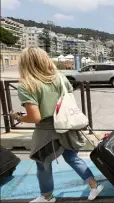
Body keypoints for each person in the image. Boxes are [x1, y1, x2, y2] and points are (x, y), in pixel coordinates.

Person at [10, 47, 103, 203]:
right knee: (72, 158)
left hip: (46, 130)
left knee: (43, 163)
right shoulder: (59, 77)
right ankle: (94, 186)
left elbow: (36, 117)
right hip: (65, 124)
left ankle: (47, 196)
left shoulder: (27, 85)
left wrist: (18, 117)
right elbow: (67, 99)